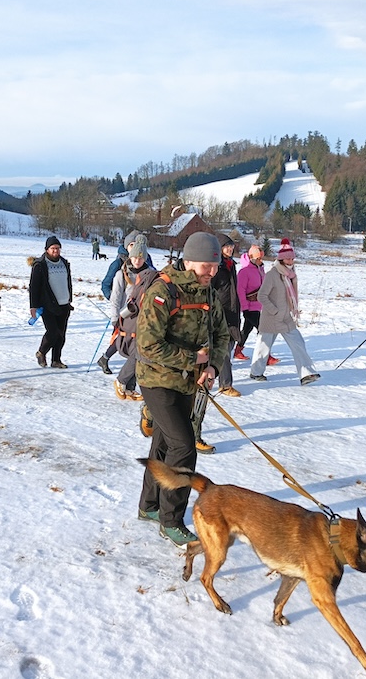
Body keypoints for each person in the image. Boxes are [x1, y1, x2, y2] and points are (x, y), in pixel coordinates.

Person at [137, 231, 229, 547]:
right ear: (188, 262)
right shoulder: (163, 291)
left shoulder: (209, 293)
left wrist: (212, 366)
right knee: (184, 446)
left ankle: (149, 506)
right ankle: (171, 520)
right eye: (206, 266)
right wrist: (193, 359)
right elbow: (148, 345)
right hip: (156, 380)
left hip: (186, 383)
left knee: (164, 444)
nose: (212, 272)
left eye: (215, 267)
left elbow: (221, 335)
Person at [249, 242, 320, 386]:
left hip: (285, 317)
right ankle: (256, 372)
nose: (291, 261)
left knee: (298, 342)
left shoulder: (290, 275)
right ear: (281, 259)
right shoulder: (272, 274)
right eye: (288, 258)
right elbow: (261, 296)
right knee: (263, 346)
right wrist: (274, 311)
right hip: (271, 318)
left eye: (292, 258)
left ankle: (306, 374)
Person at [97, 231, 154, 374]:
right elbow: (113, 293)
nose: (137, 260)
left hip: (142, 313)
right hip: (125, 312)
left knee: (133, 341)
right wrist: (115, 315)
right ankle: (113, 364)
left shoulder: (150, 271)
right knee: (122, 338)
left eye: (140, 257)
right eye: (132, 245)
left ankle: (109, 360)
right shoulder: (120, 269)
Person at [109, 235, 152, 400]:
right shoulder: (122, 274)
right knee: (136, 352)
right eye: (134, 257)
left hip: (144, 319)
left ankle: (129, 387)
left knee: (139, 352)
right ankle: (122, 381)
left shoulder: (150, 275)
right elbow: (115, 298)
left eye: (140, 258)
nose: (137, 261)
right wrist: (115, 320)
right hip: (126, 318)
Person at [30, 236, 73, 368]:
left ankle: (56, 360)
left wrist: (69, 298)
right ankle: (41, 352)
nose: (56, 251)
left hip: (64, 303)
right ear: (47, 249)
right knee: (52, 332)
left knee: (61, 335)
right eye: (53, 248)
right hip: (48, 304)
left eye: (58, 248)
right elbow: (34, 287)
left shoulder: (64, 263)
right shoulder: (40, 265)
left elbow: (68, 281)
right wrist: (33, 306)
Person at [235, 244, 279, 365]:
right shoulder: (244, 272)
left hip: (258, 306)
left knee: (247, 329)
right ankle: (266, 356)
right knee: (263, 331)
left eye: (261, 258)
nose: (261, 260)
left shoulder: (260, 270)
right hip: (249, 307)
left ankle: (238, 350)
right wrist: (244, 308)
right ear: (251, 258)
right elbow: (240, 291)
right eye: (258, 258)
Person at [211, 233, 241, 397]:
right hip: (220, 312)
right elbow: (210, 289)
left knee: (227, 346)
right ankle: (225, 384)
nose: (230, 249)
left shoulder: (231, 265)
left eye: (231, 246)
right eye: (226, 246)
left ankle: (217, 379)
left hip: (232, 310)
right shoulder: (216, 266)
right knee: (223, 350)